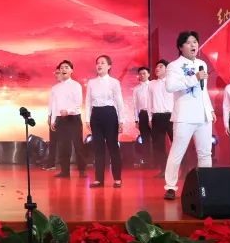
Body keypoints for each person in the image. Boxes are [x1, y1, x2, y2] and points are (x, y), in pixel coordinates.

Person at [163, 31, 215, 200]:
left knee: (205, 153)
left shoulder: (202, 64)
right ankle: (170, 187)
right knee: (177, 152)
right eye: (189, 42)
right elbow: (170, 87)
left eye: (195, 42)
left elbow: (203, 90)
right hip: (184, 116)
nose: (193, 45)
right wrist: (194, 78)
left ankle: (205, 187)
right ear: (180, 47)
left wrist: (210, 109)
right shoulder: (174, 66)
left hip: (203, 115)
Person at [84, 55, 125, 188]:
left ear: (109, 66)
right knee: (98, 148)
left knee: (113, 146)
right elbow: (88, 101)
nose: (99, 65)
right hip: (96, 115)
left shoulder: (114, 82)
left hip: (110, 114)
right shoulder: (91, 82)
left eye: (102, 63)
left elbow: (119, 102)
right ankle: (99, 179)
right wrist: (87, 119)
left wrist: (121, 120)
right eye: (98, 63)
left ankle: (117, 178)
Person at [49, 60, 85, 178]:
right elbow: (54, 105)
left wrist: (68, 111)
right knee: (63, 146)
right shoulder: (55, 88)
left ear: (71, 70)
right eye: (61, 68)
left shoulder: (76, 85)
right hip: (60, 119)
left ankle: (82, 170)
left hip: (73, 118)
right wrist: (53, 120)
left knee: (78, 145)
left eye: (66, 67)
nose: (63, 69)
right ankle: (65, 171)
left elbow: (78, 103)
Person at [148, 59, 174, 177]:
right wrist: (150, 117)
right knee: (158, 146)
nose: (157, 68)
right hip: (157, 117)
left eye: (161, 66)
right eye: (156, 66)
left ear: (167, 69)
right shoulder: (151, 84)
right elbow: (149, 101)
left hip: (171, 116)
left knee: (177, 143)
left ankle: (184, 169)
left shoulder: (172, 82)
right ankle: (163, 170)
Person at [43, 67, 65, 171]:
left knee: (64, 142)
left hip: (65, 116)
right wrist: (49, 115)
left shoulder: (69, 87)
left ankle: (65, 164)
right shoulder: (54, 88)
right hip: (54, 116)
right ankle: (51, 163)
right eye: (55, 73)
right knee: (53, 142)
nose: (56, 75)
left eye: (58, 73)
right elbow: (51, 103)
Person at [132, 66, 153, 168]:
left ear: (148, 74)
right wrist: (136, 120)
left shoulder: (153, 85)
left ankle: (157, 162)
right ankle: (148, 162)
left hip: (153, 114)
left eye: (144, 73)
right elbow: (135, 105)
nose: (142, 75)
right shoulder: (136, 89)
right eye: (140, 74)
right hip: (143, 115)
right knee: (145, 139)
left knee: (156, 138)